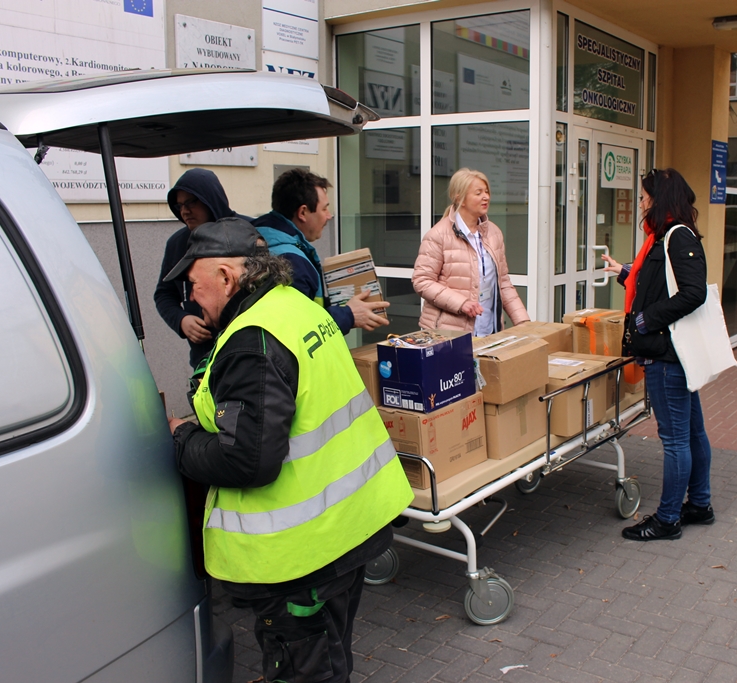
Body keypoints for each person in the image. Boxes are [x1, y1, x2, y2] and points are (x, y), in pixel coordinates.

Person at [164, 217, 413, 683]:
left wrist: (182, 437)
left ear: (226, 277)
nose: (192, 298)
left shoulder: (251, 341)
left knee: (309, 671)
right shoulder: (295, 305)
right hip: (350, 528)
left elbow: (246, 460)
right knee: (332, 657)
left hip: (301, 557)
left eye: (194, 285)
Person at [602, 168, 714, 541]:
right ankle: (699, 505)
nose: (640, 203)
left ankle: (668, 519)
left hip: (667, 356)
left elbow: (693, 292)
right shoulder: (664, 236)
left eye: (644, 196)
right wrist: (625, 272)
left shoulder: (676, 236)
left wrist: (646, 320)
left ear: (659, 198)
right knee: (692, 432)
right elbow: (658, 283)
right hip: (672, 352)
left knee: (677, 439)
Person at [253, 168, 389, 334]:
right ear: (303, 212)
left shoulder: (257, 237)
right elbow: (300, 330)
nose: (329, 216)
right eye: (324, 209)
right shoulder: (292, 262)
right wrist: (348, 315)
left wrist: (342, 307)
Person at [412, 168, 530, 335]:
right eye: (478, 193)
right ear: (459, 198)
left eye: (487, 192)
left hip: (489, 329)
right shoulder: (438, 235)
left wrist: (522, 321)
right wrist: (461, 303)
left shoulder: (494, 233)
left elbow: (503, 282)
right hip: (448, 333)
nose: (486, 197)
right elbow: (422, 281)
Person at [154, 168, 241, 367]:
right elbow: (164, 294)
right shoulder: (177, 244)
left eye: (191, 202)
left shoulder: (248, 233)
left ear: (210, 199)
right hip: (204, 359)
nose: (184, 211)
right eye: (179, 205)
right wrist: (181, 320)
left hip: (247, 352)